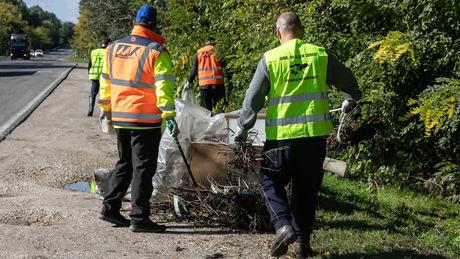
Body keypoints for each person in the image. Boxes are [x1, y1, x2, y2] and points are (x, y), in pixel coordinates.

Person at [234, 12, 362, 258]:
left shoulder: (270, 59)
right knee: (306, 190)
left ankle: (282, 225)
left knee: (269, 181)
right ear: (302, 31)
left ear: (278, 33)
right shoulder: (319, 55)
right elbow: (347, 79)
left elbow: (253, 97)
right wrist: (351, 98)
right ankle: (302, 244)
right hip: (314, 139)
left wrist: (242, 128)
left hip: (281, 139)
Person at [97, 5, 179, 233]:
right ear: (153, 25)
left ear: (135, 22)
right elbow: (164, 86)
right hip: (145, 119)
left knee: (124, 163)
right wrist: (169, 115)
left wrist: (105, 108)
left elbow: (106, 81)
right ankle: (139, 218)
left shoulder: (113, 48)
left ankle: (110, 208)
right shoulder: (156, 51)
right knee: (143, 168)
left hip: (121, 116)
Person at [184, 35, 232, 113]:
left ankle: (207, 124)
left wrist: (189, 82)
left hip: (204, 85)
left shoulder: (199, 52)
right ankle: (221, 125)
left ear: (205, 41)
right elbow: (227, 67)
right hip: (218, 83)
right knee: (220, 108)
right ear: (214, 41)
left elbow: (194, 69)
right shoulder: (218, 51)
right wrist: (230, 80)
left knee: (206, 110)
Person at [87, 37, 111, 116]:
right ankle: (103, 111)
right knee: (104, 94)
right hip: (105, 77)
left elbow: (90, 64)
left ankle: (90, 109)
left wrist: (89, 72)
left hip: (95, 75)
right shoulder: (109, 52)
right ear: (108, 44)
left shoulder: (94, 52)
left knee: (93, 93)